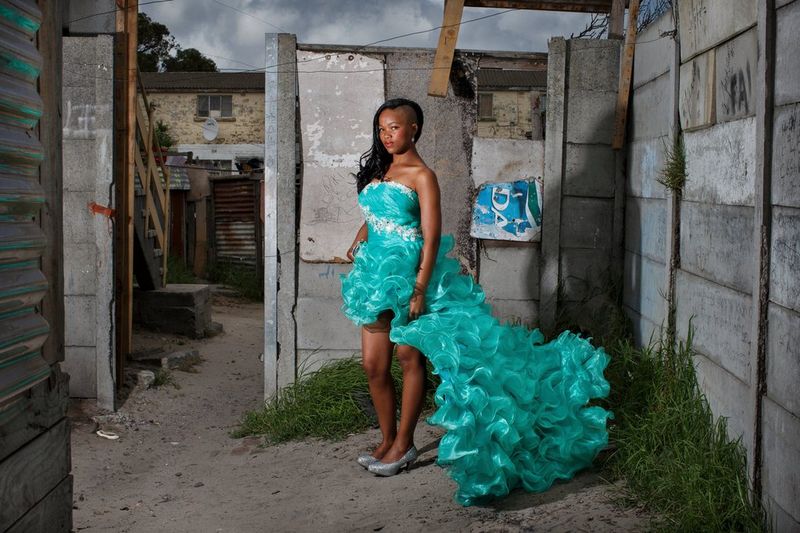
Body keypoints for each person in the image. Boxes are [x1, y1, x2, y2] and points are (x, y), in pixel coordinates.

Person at [340, 98, 612, 506]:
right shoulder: (381, 170)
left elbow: (431, 236)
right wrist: (359, 236)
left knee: (408, 357)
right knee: (373, 366)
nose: (386, 135)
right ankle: (386, 439)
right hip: (374, 277)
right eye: (381, 129)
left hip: (414, 277)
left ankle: (404, 444)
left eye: (394, 127)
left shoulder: (423, 175)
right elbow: (376, 213)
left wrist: (419, 288)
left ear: (414, 129)